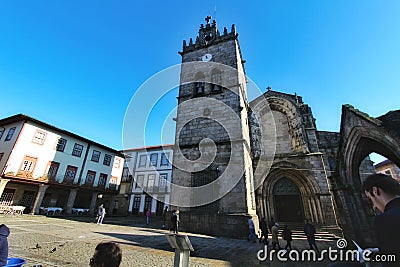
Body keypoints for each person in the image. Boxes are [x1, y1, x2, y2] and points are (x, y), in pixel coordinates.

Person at [363, 173, 400, 266]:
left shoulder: (384, 220)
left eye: (370, 198)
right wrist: (379, 251)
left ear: (375, 191)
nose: (374, 206)